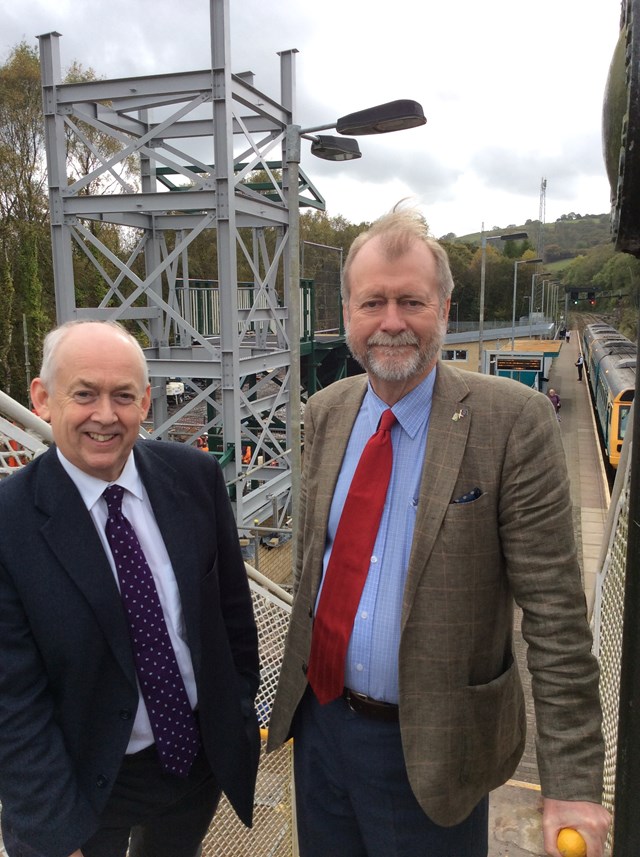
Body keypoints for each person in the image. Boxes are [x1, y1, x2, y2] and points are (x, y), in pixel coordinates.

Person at [267, 208, 610, 857]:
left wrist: (569, 782)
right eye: (373, 301)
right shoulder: (327, 411)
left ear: (444, 309)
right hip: (320, 732)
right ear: (347, 311)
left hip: (433, 747)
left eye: (410, 301)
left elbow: (556, 614)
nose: (391, 320)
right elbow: (321, 563)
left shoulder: (514, 421)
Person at [0, 320, 260, 857]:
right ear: (43, 399)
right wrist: (54, 835)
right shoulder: (10, 524)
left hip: (196, 761)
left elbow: (232, 615)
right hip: (85, 785)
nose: (105, 415)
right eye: (84, 394)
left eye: (122, 396)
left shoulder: (193, 477)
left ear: (145, 402)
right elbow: (12, 702)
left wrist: (233, 713)